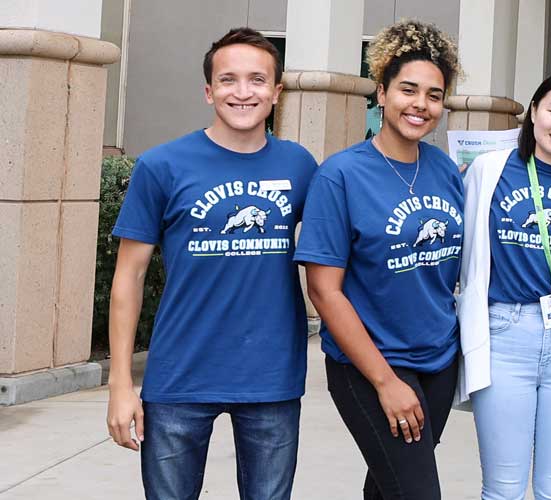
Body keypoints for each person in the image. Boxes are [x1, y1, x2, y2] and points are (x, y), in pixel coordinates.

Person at [104, 27, 317, 500]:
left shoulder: (300, 166)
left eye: (257, 80)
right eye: (229, 80)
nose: (243, 92)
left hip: (272, 378)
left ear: (276, 91)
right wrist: (121, 385)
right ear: (209, 91)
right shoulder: (162, 166)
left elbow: (335, 256)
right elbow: (129, 277)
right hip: (179, 376)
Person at [293, 20, 465, 499]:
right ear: (382, 93)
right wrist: (385, 381)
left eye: (434, 95)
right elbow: (324, 291)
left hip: (438, 359)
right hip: (369, 366)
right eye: (408, 89)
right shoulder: (341, 176)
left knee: (390, 485)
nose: (421, 104)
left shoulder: (445, 170)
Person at [455, 70, 551, 500]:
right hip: (505, 334)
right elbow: (463, 253)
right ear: (534, 111)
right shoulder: (489, 170)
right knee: (503, 489)